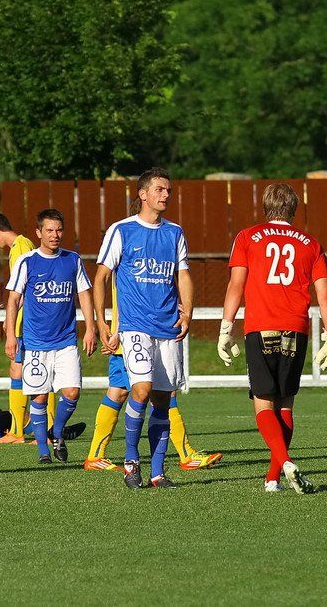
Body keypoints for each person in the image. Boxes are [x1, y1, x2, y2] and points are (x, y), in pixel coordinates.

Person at [219, 183, 327, 493]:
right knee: (285, 404)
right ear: (294, 209)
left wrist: (226, 327)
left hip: (261, 327)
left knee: (263, 404)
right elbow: (324, 295)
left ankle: (284, 462)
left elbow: (236, 285)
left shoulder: (247, 237)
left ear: (265, 206)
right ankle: (272, 478)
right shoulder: (311, 244)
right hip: (295, 329)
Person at [94, 168, 193, 489]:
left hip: (168, 328)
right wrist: (100, 322)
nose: (166, 195)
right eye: (160, 189)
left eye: (168, 190)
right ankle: (131, 461)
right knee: (141, 389)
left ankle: (158, 472)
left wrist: (188, 312)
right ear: (143, 194)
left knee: (163, 398)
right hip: (134, 326)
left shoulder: (175, 232)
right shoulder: (121, 230)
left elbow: (183, 274)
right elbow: (101, 277)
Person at [85, 274, 222, 473]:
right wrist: (116, 332)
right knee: (162, 393)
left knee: (118, 391)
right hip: (134, 334)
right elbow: (129, 292)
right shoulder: (126, 256)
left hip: (132, 332)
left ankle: (95, 455)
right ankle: (186, 455)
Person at [4, 209, 97, 464]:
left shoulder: (72, 260)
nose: (55, 235)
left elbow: (84, 294)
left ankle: (56, 433)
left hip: (66, 341)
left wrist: (91, 328)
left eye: (58, 230)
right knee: (40, 397)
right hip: (35, 343)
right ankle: (43, 452)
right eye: (49, 230)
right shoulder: (27, 261)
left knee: (72, 393)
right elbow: (13, 299)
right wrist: (11, 336)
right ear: (38, 233)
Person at [0, 213, 61, 444]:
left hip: (28, 324)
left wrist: (11, 319)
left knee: (31, 372)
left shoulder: (20, 247)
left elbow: (25, 289)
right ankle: (32, 430)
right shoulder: (22, 245)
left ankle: (30, 431)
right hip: (28, 322)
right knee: (23, 371)